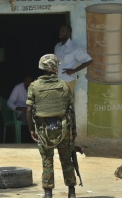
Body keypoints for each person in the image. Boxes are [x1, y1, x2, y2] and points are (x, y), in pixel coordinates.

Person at [26, 54, 78, 198]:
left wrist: (31, 129)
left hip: (43, 131)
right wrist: (73, 129)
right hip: (63, 129)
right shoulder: (63, 85)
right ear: (55, 67)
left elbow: (29, 110)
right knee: (67, 159)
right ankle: (71, 192)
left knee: (47, 161)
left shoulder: (34, 86)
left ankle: (48, 193)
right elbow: (71, 110)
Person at [54, 24, 93, 95]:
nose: (60, 33)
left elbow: (89, 60)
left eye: (63, 31)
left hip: (68, 80)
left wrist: (74, 71)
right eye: (60, 31)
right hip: (57, 80)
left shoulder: (74, 48)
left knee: (66, 103)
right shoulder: (57, 46)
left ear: (68, 33)